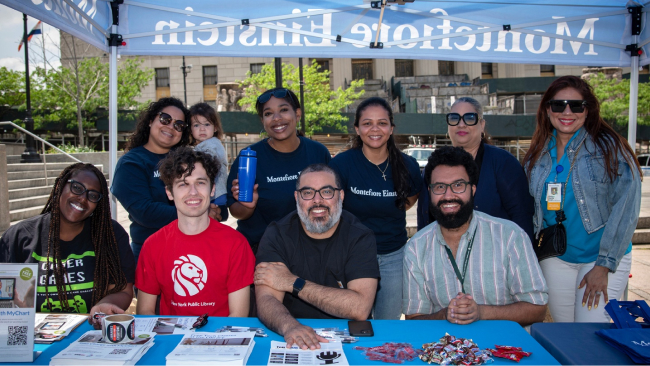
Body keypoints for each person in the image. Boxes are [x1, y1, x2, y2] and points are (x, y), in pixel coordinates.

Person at [523, 75, 642, 322]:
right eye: (558, 105)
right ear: (547, 110)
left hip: (599, 258)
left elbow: (627, 207)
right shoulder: (538, 152)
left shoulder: (610, 148)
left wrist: (604, 265)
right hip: (556, 257)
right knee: (568, 336)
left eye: (576, 105)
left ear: (588, 111)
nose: (567, 111)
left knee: (591, 335)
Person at [403, 147, 548, 326]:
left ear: (472, 189)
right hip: (444, 349)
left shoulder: (510, 236)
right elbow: (413, 318)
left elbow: (538, 308)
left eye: (458, 185)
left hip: (503, 348)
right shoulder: (416, 247)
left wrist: (481, 312)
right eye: (439, 187)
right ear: (430, 192)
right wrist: (445, 315)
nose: (448, 195)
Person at [255, 164, 379, 349]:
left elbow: (359, 308)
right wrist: (290, 327)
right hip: (289, 331)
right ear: (297, 197)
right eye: (308, 193)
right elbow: (266, 299)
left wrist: (292, 282)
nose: (317, 201)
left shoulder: (360, 236)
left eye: (327, 191)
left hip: (347, 336)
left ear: (341, 196)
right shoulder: (277, 234)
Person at [0, 163, 135, 319]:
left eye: (92, 196)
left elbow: (123, 290)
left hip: (88, 334)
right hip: (35, 337)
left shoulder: (110, 235)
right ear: (59, 185)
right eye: (77, 188)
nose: (83, 198)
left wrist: (103, 306)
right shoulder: (19, 236)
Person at [329, 97, 422, 320]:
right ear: (357, 129)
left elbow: (410, 199)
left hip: (394, 257)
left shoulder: (408, 165)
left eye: (382, 123)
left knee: (387, 325)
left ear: (391, 128)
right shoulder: (342, 164)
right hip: (352, 256)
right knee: (354, 322)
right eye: (367, 123)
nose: (375, 129)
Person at [136, 147, 254, 317]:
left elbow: (238, 317)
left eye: (200, 182)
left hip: (220, 340)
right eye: (183, 184)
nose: (193, 192)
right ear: (169, 192)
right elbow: (145, 313)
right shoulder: (152, 245)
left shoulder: (236, 244)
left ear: (212, 189)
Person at [227, 87, 331, 253]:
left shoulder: (318, 152)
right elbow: (236, 211)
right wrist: (247, 206)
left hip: (311, 250)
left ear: (297, 114)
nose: (277, 118)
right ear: (262, 120)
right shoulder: (249, 158)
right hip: (261, 252)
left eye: (283, 110)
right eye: (268, 113)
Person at [416, 97, 534, 242]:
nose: (461, 124)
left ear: (482, 125)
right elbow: (424, 218)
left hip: (496, 257)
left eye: (469, 118)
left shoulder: (503, 163)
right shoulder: (435, 166)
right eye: (454, 118)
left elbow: (522, 217)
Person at [190, 102, 229, 222]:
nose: (202, 129)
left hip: (215, 196)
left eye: (207, 124)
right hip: (214, 194)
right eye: (196, 125)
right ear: (190, 129)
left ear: (215, 127)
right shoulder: (204, 145)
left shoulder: (211, 145)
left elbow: (208, 163)